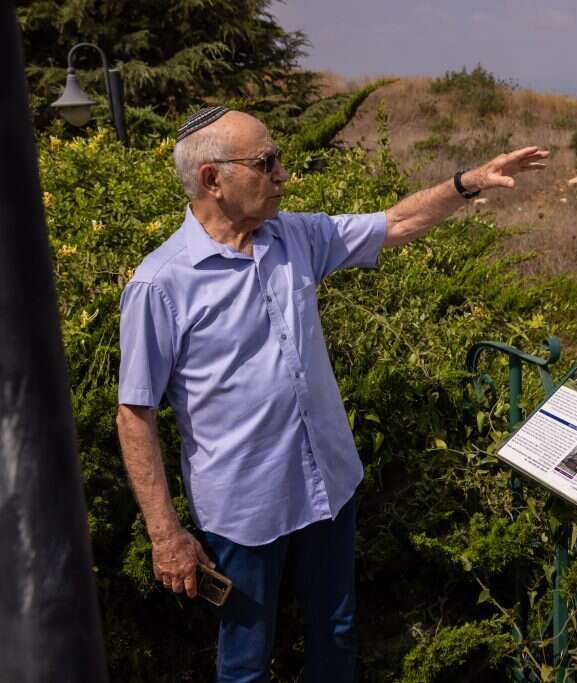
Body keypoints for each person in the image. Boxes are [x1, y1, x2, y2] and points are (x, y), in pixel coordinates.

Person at [116, 106, 548, 681]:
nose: (283, 175)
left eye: (279, 159)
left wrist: (468, 182)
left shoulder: (294, 236)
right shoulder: (160, 283)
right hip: (243, 508)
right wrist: (164, 533)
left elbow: (396, 223)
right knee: (245, 663)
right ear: (212, 179)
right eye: (266, 162)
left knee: (337, 635)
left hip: (327, 486)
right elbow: (135, 413)